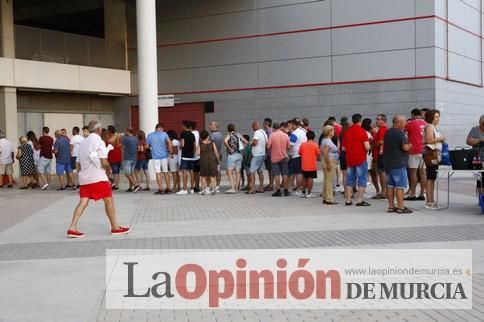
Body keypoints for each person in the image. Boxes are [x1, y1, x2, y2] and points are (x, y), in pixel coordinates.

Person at [66, 120, 130, 238]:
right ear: (99, 130)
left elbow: (78, 163)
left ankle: (72, 227)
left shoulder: (83, 143)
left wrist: (81, 174)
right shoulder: (98, 141)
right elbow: (103, 160)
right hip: (98, 177)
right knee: (109, 201)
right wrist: (109, 169)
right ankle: (115, 227)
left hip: (84, 178)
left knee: (83, 202)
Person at [384, 115, 413, 214]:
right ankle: (401, 207)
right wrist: (410, 145)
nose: (405, 124)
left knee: (390, 185)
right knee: (400, 186)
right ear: (398, 122)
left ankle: (391, 206)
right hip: (398, 163)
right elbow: (405, 147)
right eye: (404, 122)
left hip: (388, 163)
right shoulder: (400, 133)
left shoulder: (388, 132)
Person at [342, 114, 371, 206]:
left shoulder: (347, 132)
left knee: (349, 179)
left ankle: (348, 200)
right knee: (362, 179)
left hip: (350, 158)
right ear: (360, 121)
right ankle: (360, 200)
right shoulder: (362, 132)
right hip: (360, 158)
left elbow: (343, 148)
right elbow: (367, 147)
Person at [424, 109, 446, 210]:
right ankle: (429, 201)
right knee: (430, 178)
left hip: (435, 154)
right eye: (436, 116)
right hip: (431, 154)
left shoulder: (434, 127)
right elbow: (428, 140)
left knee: (432, 178)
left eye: (438, 116)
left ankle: (431, 200)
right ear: (431, 117)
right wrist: (440, 139)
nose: (438, 118)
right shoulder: (429, 127)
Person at [405, 108, 427, 201]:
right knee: (423, 173)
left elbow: (404, 134)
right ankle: (422, 193)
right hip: (425, 151)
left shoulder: (411, 123)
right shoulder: (426, 124)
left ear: (413, 115)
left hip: (414, 150)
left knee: (413, 173)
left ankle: (412, 194)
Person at [147, 123, 173, 194]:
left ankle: (161, 189)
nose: (162, 130)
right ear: (160, 128)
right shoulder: (164, 134)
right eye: (162, 129)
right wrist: (170, 151)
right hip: (164, 156)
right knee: (166, 172)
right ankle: (168, 188)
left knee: (158, 172)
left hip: (155, 157)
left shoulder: (150, 135)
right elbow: (169, 143)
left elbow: (147, 146)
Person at [267, 122, 290, 197]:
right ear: (280, 127)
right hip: (284, 157)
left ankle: (278, 191)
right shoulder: (286, 135)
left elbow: (268, 147)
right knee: (285, 174)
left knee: (277, 174)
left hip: (275, 158)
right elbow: (288, 147)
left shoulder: (271, 136)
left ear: (273, 128)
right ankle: (286, 190)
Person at [224, 123, 246, 193]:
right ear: (234, 128)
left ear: (228, 129)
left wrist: (229, 148)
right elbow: (245, 141)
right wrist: (242, 147)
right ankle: (237, 188)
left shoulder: (229, 135)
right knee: (238, 172)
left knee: (229, 172)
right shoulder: (238, 135)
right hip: (239, 155)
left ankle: (232, 188)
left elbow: (225, 141)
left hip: (232, 155)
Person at [246, 121, 267, 194]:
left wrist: (250, 144)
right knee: (260, 171)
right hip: (262, 154)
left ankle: (252, 189)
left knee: (251, 172)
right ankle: (261, 188)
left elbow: (255, 143)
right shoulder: (263, 132)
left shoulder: (257, 132)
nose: (252, 128)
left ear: (255, 126)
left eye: (252, 127)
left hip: (257, 155)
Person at [320, 125, 339, 205]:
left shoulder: (324, 140)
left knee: (326, 180)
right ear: (329, 132)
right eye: (333, 130)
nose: (334, 132)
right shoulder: (328, 141)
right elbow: (325, 152)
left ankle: (325, 197)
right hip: (330, 161)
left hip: (326, 161)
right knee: (329, 181)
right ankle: (329, 199)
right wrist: (328, 164)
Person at [288, 118, 307, 195]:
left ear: (294, 125)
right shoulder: (303, 131)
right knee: (301, 173)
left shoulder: (294, 134)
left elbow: (291, 145)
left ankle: (299, 189)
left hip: (296, 155)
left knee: (298, 173)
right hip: (303, 154)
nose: (291, 126)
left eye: (292, 124)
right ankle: (301, 188)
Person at [466, 115, 484, 194]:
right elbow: (469, 141)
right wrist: (479, 139)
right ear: (480, 123)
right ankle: (481, 198)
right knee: (481, 179)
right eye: (482, 124)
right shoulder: (475, 130)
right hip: (478, 158)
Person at [198, 130, 220, 195]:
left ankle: (203, 190)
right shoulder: (212, 143)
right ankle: (213, 190)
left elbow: (198, 153)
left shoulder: (200, 143)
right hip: (212, 161)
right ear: (208, 136)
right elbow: (216, 152)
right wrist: (218, 160)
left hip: (203, 161)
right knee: (213, 176)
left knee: (203, 176)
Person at [298, 131, 320, 198]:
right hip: (312, 165)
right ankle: (309, 193)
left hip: (304, 165)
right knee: (310, 178)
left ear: (306, 136)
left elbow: (300, 153)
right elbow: (318, 154)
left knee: (304, 178)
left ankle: (303, 192)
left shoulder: (302, 144)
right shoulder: (315, 145)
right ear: (314, 137)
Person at [362, 118, 380, 196]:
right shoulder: (366, 133)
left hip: (370, 155)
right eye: (371, 123)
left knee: (372, 173)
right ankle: (363, 190)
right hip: (367, 155)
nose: (373, 125)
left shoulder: (368, 132)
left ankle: (377, 189)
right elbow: (371, 143)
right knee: (367, 173)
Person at [371, 114, 388, 199]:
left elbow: (381, 142)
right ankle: (384, 191)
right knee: (382, 172)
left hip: (381, 153)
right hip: (382, 153)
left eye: (378, 119)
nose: (376, 120)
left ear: (383, 121)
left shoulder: (382, 129)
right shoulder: (382, 129)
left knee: (382, 172)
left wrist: (373, 145)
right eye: (376, 119)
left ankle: (383, 191)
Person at [177, 121, 196, 195]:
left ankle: (184, 189)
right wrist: (193, 154)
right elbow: (194, 145)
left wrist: (180, 146)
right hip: (191, 156)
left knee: (184, 172)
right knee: (191, 172)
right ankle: (192, 189)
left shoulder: (183, 134)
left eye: (182, 125)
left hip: (185, 156)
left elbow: (183, 144)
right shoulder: (192, 134)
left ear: (185, 126)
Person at [121, 128, 140, 193]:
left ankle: (136, 185)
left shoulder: (126, 138)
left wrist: (122, 158)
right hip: (134, 158)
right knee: (131, 173)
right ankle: (130, 187)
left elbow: (121, 146)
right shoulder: (136, 138)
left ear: (128, 131)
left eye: (126, 131)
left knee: (127, 173)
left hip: (127, 158)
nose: (125, 132)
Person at [208, 121, 223, 192]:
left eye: (211, 125)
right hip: (220, 154)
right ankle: (217, 185)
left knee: (212, 171)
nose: (209, 126)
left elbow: (210, 146)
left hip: (213, 155)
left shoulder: (212, 135)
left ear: (215, 126)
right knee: (218, 170)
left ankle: (212, 186)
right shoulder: (220, 134)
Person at [106, 126, 122, 190]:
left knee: (114, 171)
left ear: (109, 131)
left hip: (113, 156)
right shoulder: (118, 137)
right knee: (117, 171)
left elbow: (109, 142)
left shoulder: (112, 138)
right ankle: (116, 185)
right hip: (118, 155)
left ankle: (115, 184)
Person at [263, 117, 274, 191]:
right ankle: (270, 183)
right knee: (270, 170)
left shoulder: (268, 131)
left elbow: (268, 143)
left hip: (269, 153)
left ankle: (271, 184)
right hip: (270, 153)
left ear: (267, 123)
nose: (263, 124)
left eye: (264, 122)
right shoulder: (270, 131)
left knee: (270, 170)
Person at [191, 121, 201, 193]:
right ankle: (197, 186)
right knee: (196, 172)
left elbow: (193, 144)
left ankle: (194, 186)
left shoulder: (192, 134)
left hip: (193, 155)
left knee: (193, 172)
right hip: (198, 155)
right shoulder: (197, 133)